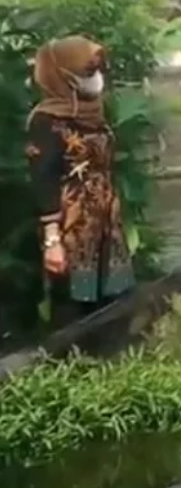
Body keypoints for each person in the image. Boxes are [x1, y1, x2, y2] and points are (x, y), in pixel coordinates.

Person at [25, 35, 135, 328]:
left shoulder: (95, 112)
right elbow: (42, 178)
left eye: (97, 71)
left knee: (114, 304)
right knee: (73, 305)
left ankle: (115, 365)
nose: (95, 78)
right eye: (87, 72)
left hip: (106, 220)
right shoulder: (46, 120)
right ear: (63, 75)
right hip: (72, 225)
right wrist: (52, 240)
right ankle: (74, 365)